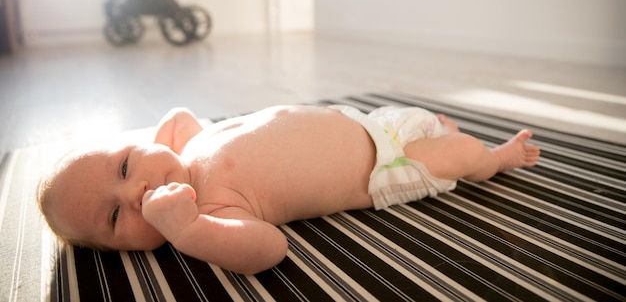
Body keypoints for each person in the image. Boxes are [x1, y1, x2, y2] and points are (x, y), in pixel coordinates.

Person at [37, 105, 540, 274]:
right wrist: (188, 230)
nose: (137, 192)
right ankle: (498, 158)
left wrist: (156, 147)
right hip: (387, 163)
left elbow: (178, 119)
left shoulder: (186, 149)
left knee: (423, 121)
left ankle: (438, 128)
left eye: (124, 166)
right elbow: (269, 250)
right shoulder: (211, 209)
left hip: (365, 121)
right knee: (463, 157)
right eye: (115, 218)